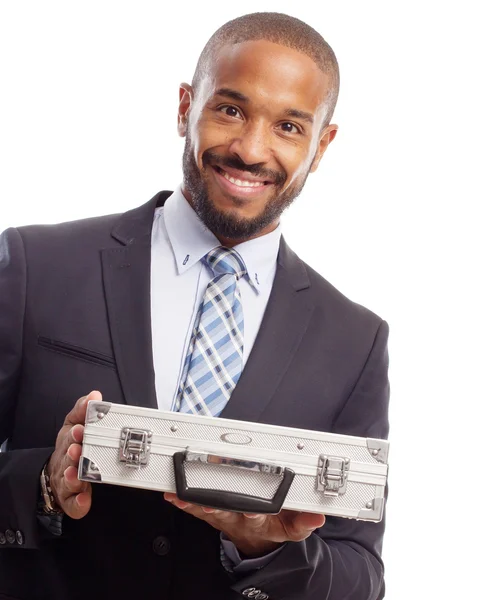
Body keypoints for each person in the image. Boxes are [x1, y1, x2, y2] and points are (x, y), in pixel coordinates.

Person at [0, 11, 390, 600]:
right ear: (186, 107)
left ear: (322, 144)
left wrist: (268, 544)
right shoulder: (37, 265)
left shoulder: (356, 340)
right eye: (230, 109)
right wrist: (43, 487)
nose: (251, 150)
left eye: (288, 126)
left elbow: (361, 575)